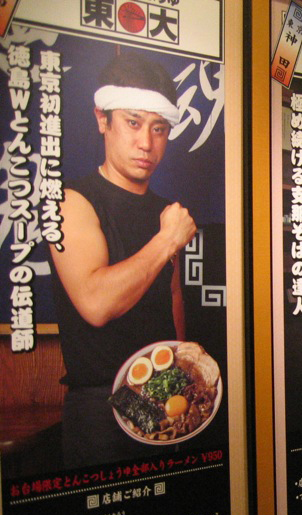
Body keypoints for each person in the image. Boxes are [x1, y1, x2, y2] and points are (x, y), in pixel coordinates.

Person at [49, 53, 195, 467]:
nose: (146, 143)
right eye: (133, 123)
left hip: (166, 394)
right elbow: (95, 303)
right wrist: (166, 240)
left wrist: (185, 368)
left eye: (159, 128)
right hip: (103, 404)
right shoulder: (72, 202)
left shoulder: (166, 211)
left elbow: (171, 297)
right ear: (102, 120)